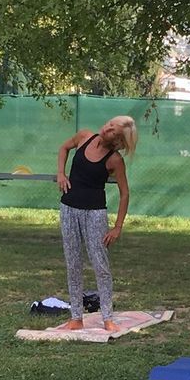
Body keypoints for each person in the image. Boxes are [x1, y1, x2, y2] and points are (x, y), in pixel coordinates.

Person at [53, 116, 136, 331]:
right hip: (68, 208)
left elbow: (124, 193)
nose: (106, 128)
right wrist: (61, 173)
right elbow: (63, 148)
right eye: (109, 123)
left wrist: (117, 227)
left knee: (100, 265)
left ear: (118, 140)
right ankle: (76, 317)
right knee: (73, 263)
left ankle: (107, 317)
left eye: (112, 130)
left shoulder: (114, 159)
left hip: (95, 213)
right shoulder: (84, 136)